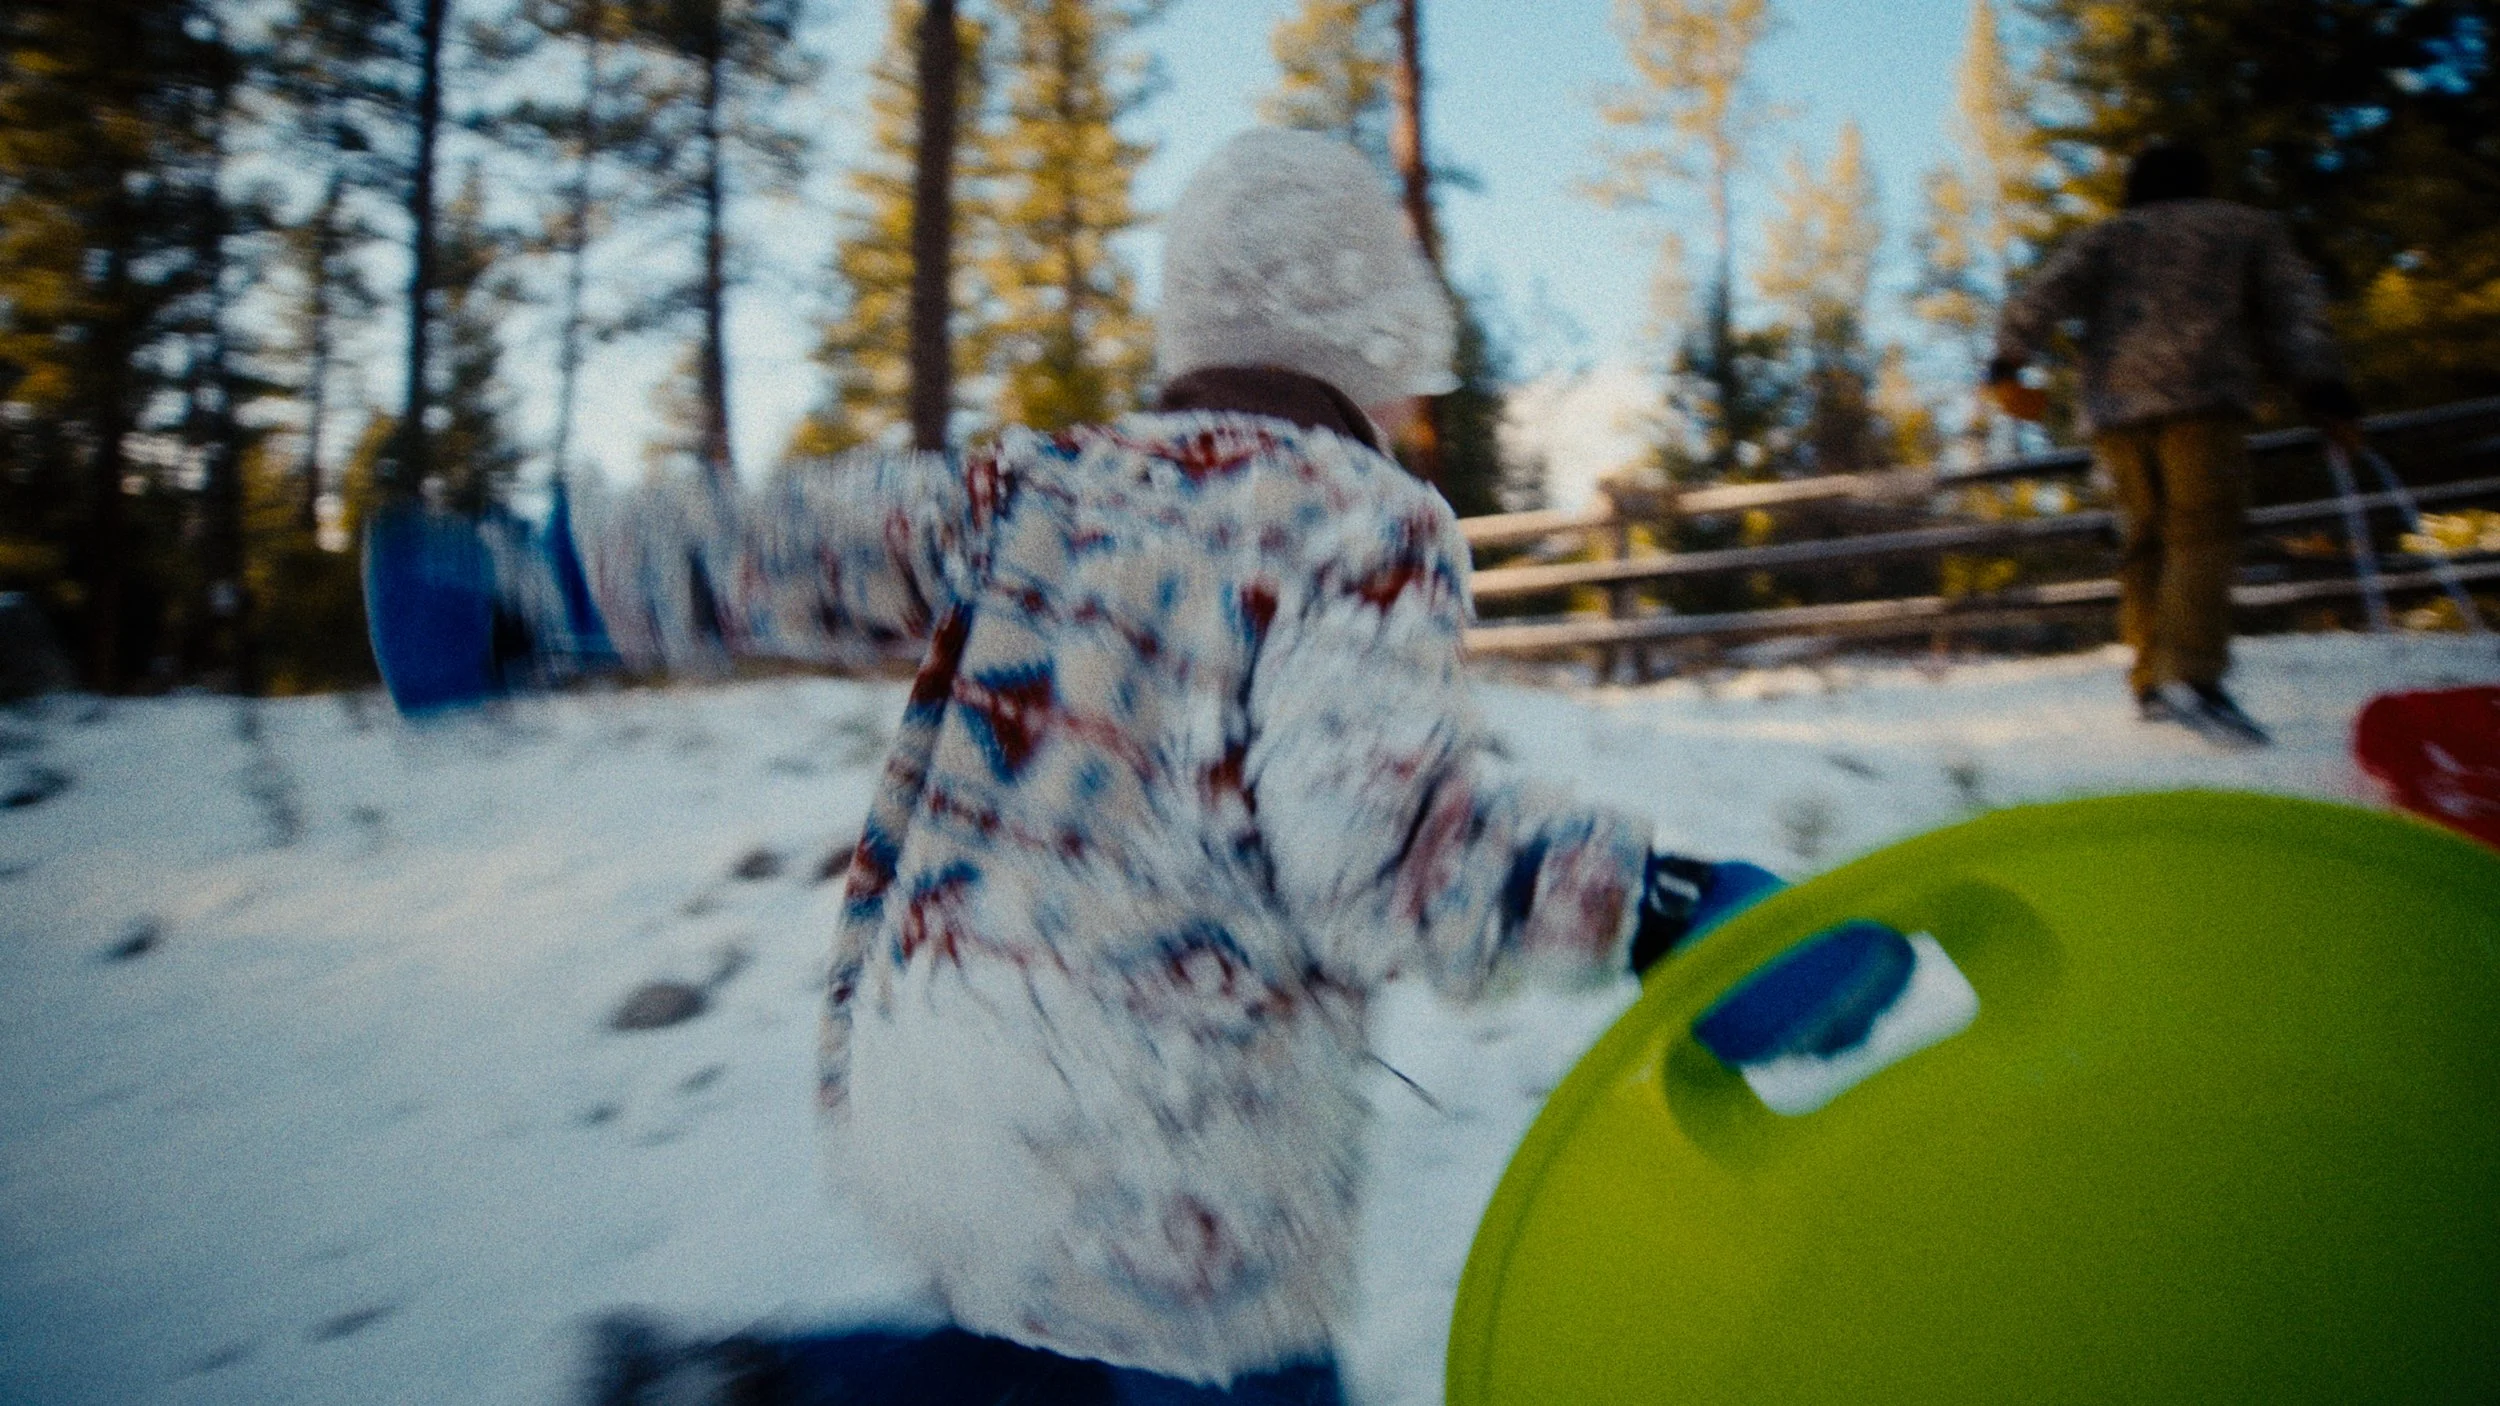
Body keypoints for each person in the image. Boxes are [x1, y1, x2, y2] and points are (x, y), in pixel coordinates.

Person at [371, 129, 1778, 1405]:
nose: (1416, 411)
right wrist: (1650, 899)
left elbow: (802, 541)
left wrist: (534, 582)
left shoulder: (1041, 482)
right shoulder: (1363, 519)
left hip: (934, 1060)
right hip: (1168, 1122)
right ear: (1367, 339)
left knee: (1046, 1360)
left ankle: (742, 1392)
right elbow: (1380, 839)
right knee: (1240, 1382)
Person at [1986, 141, 2365, 748]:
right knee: (2204, 531)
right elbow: (2295, 313)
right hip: (2204, 399)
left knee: (2146, 540)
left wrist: (2007, 364)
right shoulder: (2243, 229)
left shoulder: (2108, 236)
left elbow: (2041, 295)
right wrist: (2325, 390)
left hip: (2116, 410)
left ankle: (2152, 680)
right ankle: (2189, 676)